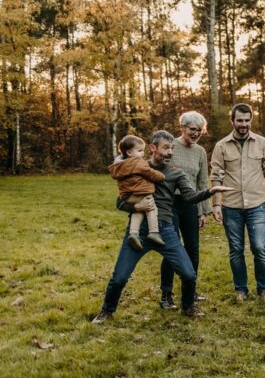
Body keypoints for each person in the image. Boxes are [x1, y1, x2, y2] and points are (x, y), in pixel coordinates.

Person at [92, 130, 232, 323]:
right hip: (139, 233)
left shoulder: (176, 173)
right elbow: (120, 202)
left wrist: (211, 191)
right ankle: (107, 311)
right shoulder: (134, 166)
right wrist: (136, 206)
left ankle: (188, 307)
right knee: (119, 278)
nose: (170, 152)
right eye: (166, 148)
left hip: (165, 230)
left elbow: (190, 197)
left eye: (172, 148)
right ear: (152, 148)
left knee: (189, 274)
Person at [210, 103, 265, 305]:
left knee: (259, 247)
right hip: (231, 206)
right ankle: (241, 289)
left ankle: (263, 289)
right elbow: (216, 176)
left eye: (247, 120)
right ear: (232, 121)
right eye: (239, 120)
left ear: (251, 120)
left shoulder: (262, 142)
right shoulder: (221, 146)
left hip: (256, 204)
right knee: (236, 249)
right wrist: (216, 205)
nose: (244, 124)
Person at [158, 111, 212, 311]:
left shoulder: (200, 152)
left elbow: (202, 182)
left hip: (191, 204)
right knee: (172, 250)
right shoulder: (170, 145)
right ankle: (166, 294)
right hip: (170, 204)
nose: (196, 133)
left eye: (199, 130)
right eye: (192, 129)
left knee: (193, 251)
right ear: (182, 128)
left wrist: (203, 211)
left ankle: (190, 291)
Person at [108, 135, 166, 251]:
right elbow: (150, 173)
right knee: (151, 208)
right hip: (141, 192)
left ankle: (134, 233)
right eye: (140, 151)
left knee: (138, 211)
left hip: (127, 196)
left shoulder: (119, 165)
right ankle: (154, 232)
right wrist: (162, 176)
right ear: (129, 152)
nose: (142, 154)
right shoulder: (138, 163)